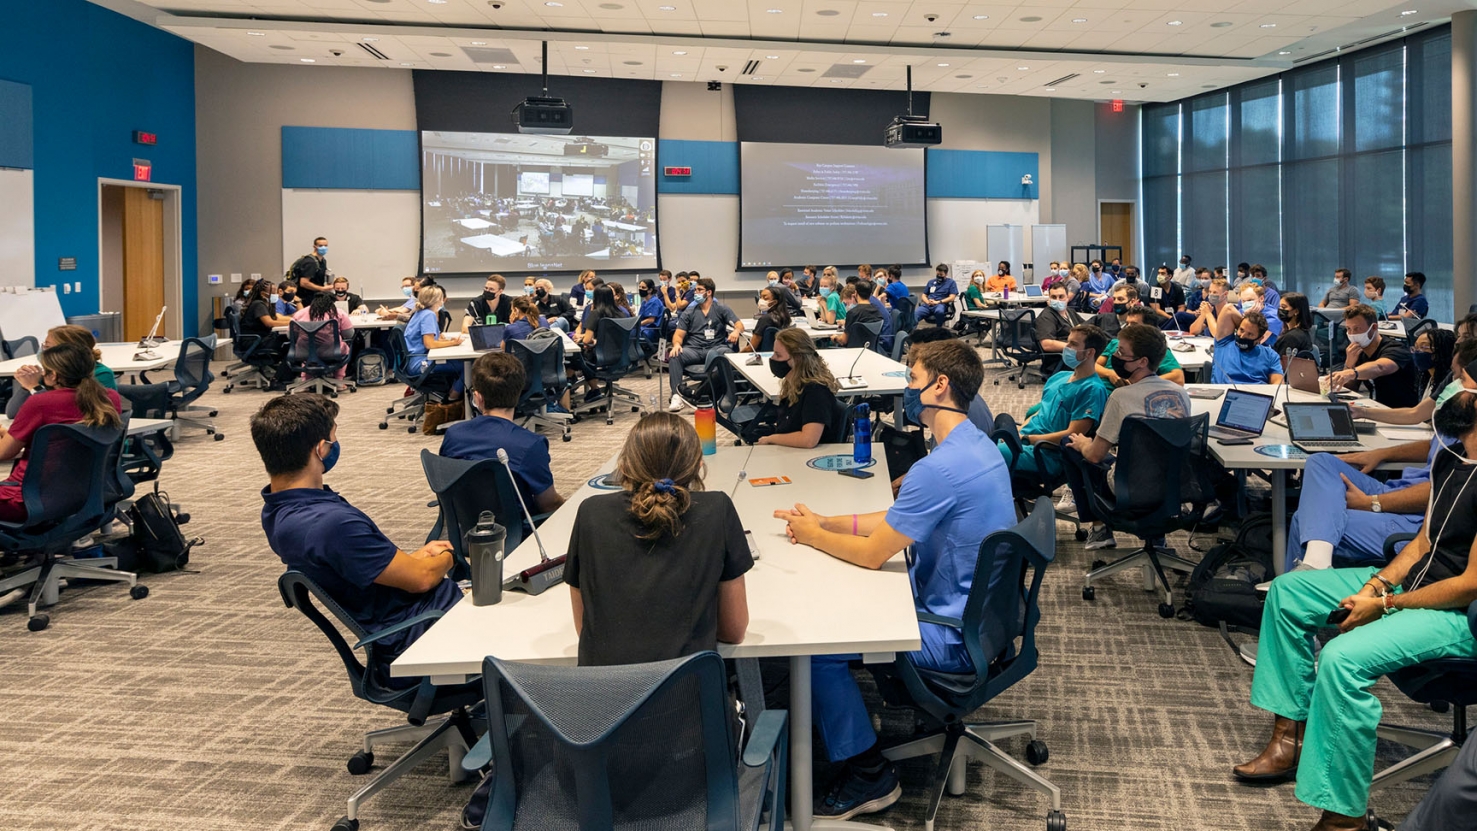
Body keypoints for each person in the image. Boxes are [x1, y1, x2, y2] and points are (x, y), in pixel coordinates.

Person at [772, 339, 1014, 821]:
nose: (906, 387)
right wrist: (828, 521)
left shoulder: (938, 468)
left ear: (939, 386)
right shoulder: (975, 446)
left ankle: (868, 775)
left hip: (949, 635)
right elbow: (897, 519)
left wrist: (812, 535)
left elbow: (872, 553)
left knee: (817, 647)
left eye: (912, 377)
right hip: (985, 619)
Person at [1233, 389, 1477, 831]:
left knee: (1341, 659)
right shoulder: (1454, 457)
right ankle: (1289, 737)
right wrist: (1375, 583)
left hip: (1459, 611)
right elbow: (1423, 543)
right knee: (1290, 592)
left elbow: (1469, 585)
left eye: (1474, 392)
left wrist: (1384, 603)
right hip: (1416, 581)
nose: (1464, 392)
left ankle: (1344, 819)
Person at [253, 394, 459, 686]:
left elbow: (356, 564)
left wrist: (416, 558)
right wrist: (454, 554)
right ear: (320, 450)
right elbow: (423, 579)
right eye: (333, 437)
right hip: (420, 634)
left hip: (398, 622)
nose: (335, 444)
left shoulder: (278, 510)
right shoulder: (332, 524)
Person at [565, 412, 751, 667]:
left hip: (605, 701)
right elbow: (734, 631)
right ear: (698, 466)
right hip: (689, 699)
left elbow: (586, 629)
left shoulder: (590, 512)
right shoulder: (716, 509)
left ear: (625, 466)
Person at [1280, 343, 1477, 576]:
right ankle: (1310, 572)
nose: (1453, 384)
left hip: (1417, 521)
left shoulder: (1468, 434)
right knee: (1322, 462)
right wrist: (1381, 454)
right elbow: (1432, 446)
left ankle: (1301, 583)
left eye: (1459, 378)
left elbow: (1444, 491)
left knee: (1306, 521)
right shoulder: (1459, 423)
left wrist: (1371, 503)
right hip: (1399, 490)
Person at [1064, 324, 1191, 550]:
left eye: (1122, 353)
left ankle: (1101, 529)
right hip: (1174, 487)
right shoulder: (1180, 393)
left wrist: (1084, 443)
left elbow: (1094, 456)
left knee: (1070, 443)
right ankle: (1155, 535)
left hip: (1130, 489)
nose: (1115, 357)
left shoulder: (1121, 397)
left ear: (1142, 361)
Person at [0, 342, 123, 521]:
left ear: (54, 375)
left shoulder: (41, 403)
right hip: (83, 496)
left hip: (29, 501)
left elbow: (4, 452)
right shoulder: (109, 397)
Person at [439, 351, 564, 515]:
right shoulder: (530, 444)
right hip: (519, 534)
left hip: (465, 527)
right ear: (519, 393)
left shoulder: (453, 435)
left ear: (477, 398)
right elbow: (548, 504)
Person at [999, 324, 1111, 476]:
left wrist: (1026, 439)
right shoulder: (1060, 377)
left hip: (1046, 453)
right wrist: (1017, 432)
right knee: (983, 443)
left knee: (989, 455)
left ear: (1090, 352)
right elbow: (1039, 413)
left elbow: (1071, 436)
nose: (1067, 347)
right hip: (1026, 440)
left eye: (1073, 344)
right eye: (1068, 342)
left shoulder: (1092, 390)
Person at [754, 328, 840, 448]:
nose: (772, 358)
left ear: (797, 359)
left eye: (778, 355)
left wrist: (772, 439)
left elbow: (809, 440)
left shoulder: (816, 392)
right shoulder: (794, 384)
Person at [667, 277, 743, 411]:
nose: (695, 292)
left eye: (699, 290)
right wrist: (677, 345)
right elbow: (678, 335)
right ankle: (676, 396)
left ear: (709, 292)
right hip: (694, 349)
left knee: (725, 355)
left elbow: (739, 324)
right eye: (695, 289)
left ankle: (724, 395)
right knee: (675, 355)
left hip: (715, 348)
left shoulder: (721, 309)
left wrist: (736, 331)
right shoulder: (689, 312)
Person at [1352, 329, 1460, 423]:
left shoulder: (1449, 381)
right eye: (1416, 347)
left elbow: (1416, 414)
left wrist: (1363, 412)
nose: (1418, 352)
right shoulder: (1426, 377)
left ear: (1442, 351)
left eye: (1424, 347)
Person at [1330, 304, 1418, 408]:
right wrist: (1349, 364)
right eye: (1348, 329)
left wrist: (1351, 372)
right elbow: (1351, 388)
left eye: (1357, 328)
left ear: (1374, 327)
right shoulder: (1359, 352)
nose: (1352, 333)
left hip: (1401, 412)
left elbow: (1380, 367)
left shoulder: (1396, 348)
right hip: (1376, 408)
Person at [1096, 306, 1186, 386]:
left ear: (1149, 327)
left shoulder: (1155, 350)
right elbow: (1093, 365)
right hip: (1100, 392)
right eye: (1127, 323)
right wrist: (1110, 374)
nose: (1128, 327)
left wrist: (1140, 384)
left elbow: (1178, 378)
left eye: (1134, 324)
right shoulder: (1115, 343)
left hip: (1127, 397)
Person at [404, 285, 464, 400]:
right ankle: (452, 398)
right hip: (421, 364)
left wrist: (445, 341)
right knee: (468, 366)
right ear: (437, 300)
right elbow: (429, 344)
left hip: (414, 360)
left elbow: (429, 339)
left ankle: (453, 393)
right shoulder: (429, 315)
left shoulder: (420, 313)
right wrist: (453, 343)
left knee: (459, 363)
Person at [1208, 305, 1284, 385]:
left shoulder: (1270, 355)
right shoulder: (1224, 343)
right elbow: (1228, 309)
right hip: (1226, 394)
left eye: (1250, 334)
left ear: (1260, 339)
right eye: (1241, 330)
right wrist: (1245, 321)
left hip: (1256, 395)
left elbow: (1278, 384)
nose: (1242, 336)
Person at [290, 292, 355, 379]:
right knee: (346, 347)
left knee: (308, 348)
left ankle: (305, 380)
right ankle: (339, 380)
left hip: (303, 352)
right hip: (332, 351)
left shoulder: (300, 313)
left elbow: (290, 335)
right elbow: (349, 334)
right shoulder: (338, 313)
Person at [1034, 283, 1083, 375]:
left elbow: (1085, 327)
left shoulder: (1070, 312)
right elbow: (1046, 344)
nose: (1057, 300)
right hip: (1062, 358)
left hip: (1078, 352)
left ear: (1067, 298)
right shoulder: (1046, 317)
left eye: (1061, 297)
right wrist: (1074, 347)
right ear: (1049, 299)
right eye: (1054, 297)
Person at [745, 285, 791, 353]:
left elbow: (751, 348)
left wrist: (736, 356)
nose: (761, 300)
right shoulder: (785, 317)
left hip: (759, 355)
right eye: (760, 297)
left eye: (765, 298)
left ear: (774, 302)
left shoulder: (765, 319)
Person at [837, 283, 885, 349]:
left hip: (854, 352)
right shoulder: (877, 312)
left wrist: (835, 338)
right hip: (872, 350)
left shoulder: (852, 313)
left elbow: (843, 341)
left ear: (855, 293)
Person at [1272, 292, 1315, 358]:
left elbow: (1281, 363)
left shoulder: (1291, 338)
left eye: (1284, 307)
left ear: (1296, 311)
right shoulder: (1302, 332)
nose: (1280, 310)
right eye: (1280, 306)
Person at [290, 236, 330, 304]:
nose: (323, 248)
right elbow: (304, 283)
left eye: (325, 245)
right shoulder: (310, 262)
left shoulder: (323, 261)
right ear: (314, 247)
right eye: (320, 245)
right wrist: (322, 288)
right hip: (306, 298)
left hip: (316, 297)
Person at [635, 277, 666, 346]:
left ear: (650, 290)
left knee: (629, 333)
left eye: (643, 287)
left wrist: (636, 325)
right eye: (639, 287)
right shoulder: (644, 302)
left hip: (649, 330)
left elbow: (651, 320)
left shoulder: (654, 302)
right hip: (644, 328)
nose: (640, 289)